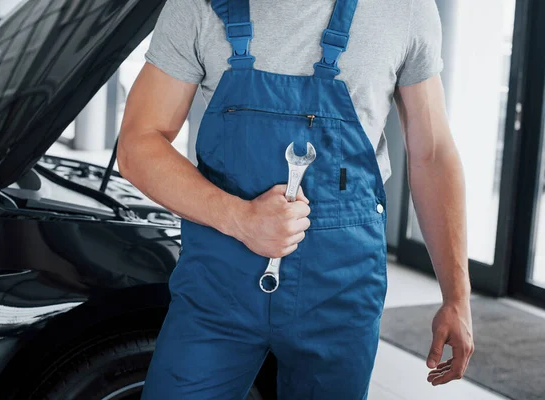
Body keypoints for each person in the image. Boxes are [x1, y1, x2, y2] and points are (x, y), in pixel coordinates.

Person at [118, 0, 474, 398]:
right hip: (217, 290)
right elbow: (138, 143)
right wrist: (241, 219)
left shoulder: (403, 8)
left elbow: (432, 154)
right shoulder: (197, 7)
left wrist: (457, 295)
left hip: (340, 295)